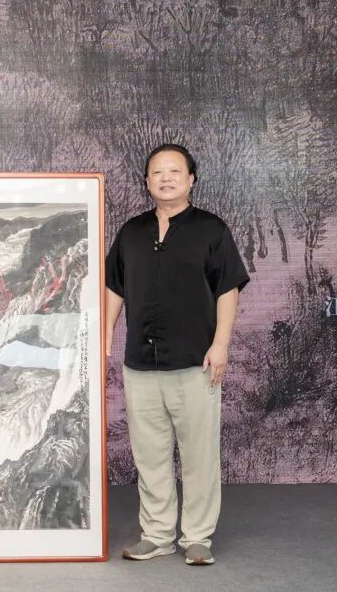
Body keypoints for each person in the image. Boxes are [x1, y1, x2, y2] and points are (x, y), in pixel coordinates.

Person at [106, 144, 249, 566]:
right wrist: (104, 335)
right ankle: (157, 534)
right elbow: (114, 287)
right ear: (147, 181)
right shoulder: (131, 232)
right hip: (140, 364)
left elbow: (228, 289)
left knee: (199, 454)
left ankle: (197, 537)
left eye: (174, 171)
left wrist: (221, 344)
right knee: (149, 456)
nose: (165, 178)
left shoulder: (211, 230)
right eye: (157, 172)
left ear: (191, 179)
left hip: (195, 362)